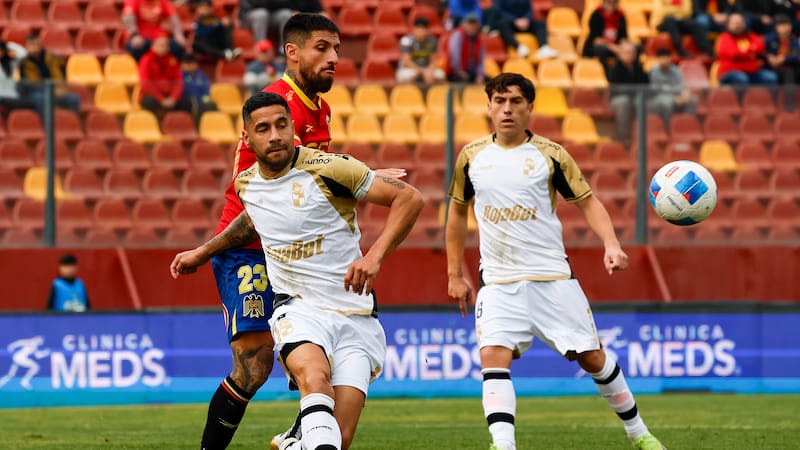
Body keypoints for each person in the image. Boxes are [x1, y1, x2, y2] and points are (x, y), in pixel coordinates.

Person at [190, 13, 401, 450]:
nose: (333, 58)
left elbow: (314, 181)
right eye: (322, 48)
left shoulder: (320, 109)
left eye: (337, 49)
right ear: (292, 52)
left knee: (322, 356)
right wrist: (205, 250)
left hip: (300, 253)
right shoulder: (272, 108)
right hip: (250, 246)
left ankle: (302, 434)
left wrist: (362, 178)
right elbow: (260, 201)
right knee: (254, 364)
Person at [445, 72, 666, 450]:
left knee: (592, 358)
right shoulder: (471, 156)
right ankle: (503, 445)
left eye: (515, 101)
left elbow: (588, 203)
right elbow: (456, 214)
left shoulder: (551, 155)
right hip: (498, 281)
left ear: (530, 108)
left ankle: (639, 433)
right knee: (493, 357)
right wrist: (454, 274)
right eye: (499, 101)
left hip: (552, 277)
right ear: (489, 107)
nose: (507, 109)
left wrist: (611, 244)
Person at [18, 33, 81, 114]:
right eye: (31, 45)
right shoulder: (23, 63)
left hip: (55, 90)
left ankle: (72, 120)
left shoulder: (53, 58)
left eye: (36, 44)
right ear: (26, 47)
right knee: (41, 98)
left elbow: (61, 75)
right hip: (35, 92)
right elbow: (30, 83)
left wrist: (61, 88)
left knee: (74, 99)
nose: (34, 47)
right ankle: (46, 121)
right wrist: (50, 91)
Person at [482, 0, 557, 59]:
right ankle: (518, 47)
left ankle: (543, 47)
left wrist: (526, 19)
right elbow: (498, 11)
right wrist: (514, 20)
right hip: (509, 22)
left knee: (540, 24)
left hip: (524, 22)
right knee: (502, 25)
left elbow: (529, 9)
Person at [717, 13, 778, 85]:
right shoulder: (725, 37)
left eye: (740, 23)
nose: (738, 26)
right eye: (735, 23)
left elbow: (760, 46)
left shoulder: (750, 35)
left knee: (771, 77)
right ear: (728, 25)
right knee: (741, 78)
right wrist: (751, 52)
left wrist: (745, 52)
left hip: (751, 72)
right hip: (730, 73)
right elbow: (734, 54)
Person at [138, 34, 192, 116]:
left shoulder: (172, 60)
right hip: (153, 95)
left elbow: (178, 81)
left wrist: (173, 98)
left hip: (170, 95)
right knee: (149, 102)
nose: (164, 47)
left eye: (166, 45)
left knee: (186, 102)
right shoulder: (146, 60)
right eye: (161, 45)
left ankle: (178, 123)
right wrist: (161, 99)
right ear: (153, 46)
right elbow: (146, 83)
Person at [608, 42, 649, 142]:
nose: (630, 55)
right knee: (624, 102)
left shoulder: (639, 68)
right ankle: (624, 137)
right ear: (620, 54)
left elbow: (646, 85)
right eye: (627, 52)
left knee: (646, 102)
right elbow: (616, 89)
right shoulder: (615, 69)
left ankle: (643, 136)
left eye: (632, 52)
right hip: (617, 100)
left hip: (636, 99)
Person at [648, 48, 698, 129]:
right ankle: (667, 128)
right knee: (668, 103)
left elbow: (682, 85)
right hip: (659, 97)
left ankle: (686, 125)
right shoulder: (653, 72)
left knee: (693, 100)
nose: (665, 60)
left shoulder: (676, 70)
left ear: (670, 58)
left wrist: (685, 93)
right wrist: (674, 98)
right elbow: (656, 90)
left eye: (667, 57)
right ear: (658, 59)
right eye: (662, 58)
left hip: (676, 96)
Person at [122, 0, 187, 61]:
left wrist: (179, 35)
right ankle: (142, 68)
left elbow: (174, 18)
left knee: (177, 47)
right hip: (139, 36)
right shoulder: (134, 1)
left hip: (158, 37)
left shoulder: (162, 1)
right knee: (137, 47)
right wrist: (134, 35)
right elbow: (128, 18)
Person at [396, 17, 446, 85]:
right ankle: (409, 92)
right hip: (410, 68)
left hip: (427, 68)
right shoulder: (406, 40)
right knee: (409, 76)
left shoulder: (432, 41)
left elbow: (434, 60)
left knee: (441, 75)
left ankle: (434, 91)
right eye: (419, 29)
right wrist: (422, 71)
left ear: (427, 30)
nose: (421, 32)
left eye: (423, 29)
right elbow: (406, 61)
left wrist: (429, 70)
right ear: (414, 29)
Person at [582, 0, 629, 70]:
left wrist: (626, 48)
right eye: (609, 2)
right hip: (597, 48)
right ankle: (607, 73)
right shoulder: (597, 15)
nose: (611, 5)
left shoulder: (620, 16)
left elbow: (623, 37)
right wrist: (614, 48)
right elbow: (597, 40)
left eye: (614, 2)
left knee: (634, 49)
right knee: (601, 50)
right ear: (604, 3)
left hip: (616, 47)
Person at [446, 13, 486, 83]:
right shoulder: (458, 36)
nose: (472, 27)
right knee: (464, 81)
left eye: (474, 24)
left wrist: (480, 75)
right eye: (470, 24)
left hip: (471, 73)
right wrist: (459, 71)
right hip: (455, 73)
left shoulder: (479, 40)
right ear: (464, 25)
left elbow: (480, 62)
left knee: (490, 81)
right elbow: (454, 56)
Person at [0, 39, 37, 111]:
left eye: (1, 50)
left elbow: (24, 53)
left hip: (13, 96)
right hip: (1, 97)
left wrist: (7, 44)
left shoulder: (12, 63)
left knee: (35, 100)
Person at [181, 53, 217, 120]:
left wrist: (205, 99)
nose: (189, 66)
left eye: (191, 63)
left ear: (196, 64)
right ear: (182, 65)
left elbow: (206, 89)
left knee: (212, 105)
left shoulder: (201, 74)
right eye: (187, 63)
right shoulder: (180, 75)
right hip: (187, 101)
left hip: (200, 100)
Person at [765, 14, 800, 84]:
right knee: (788, 72)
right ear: (776, 27)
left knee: (790, 71)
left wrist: (784, 59)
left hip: (790, 67)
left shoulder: (793, 41)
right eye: (783, 25)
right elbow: (765, 52)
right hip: (772, 68)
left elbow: (796, 55)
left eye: (788, 25)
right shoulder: (770, 40)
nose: (786, 28)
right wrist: (769, 56)